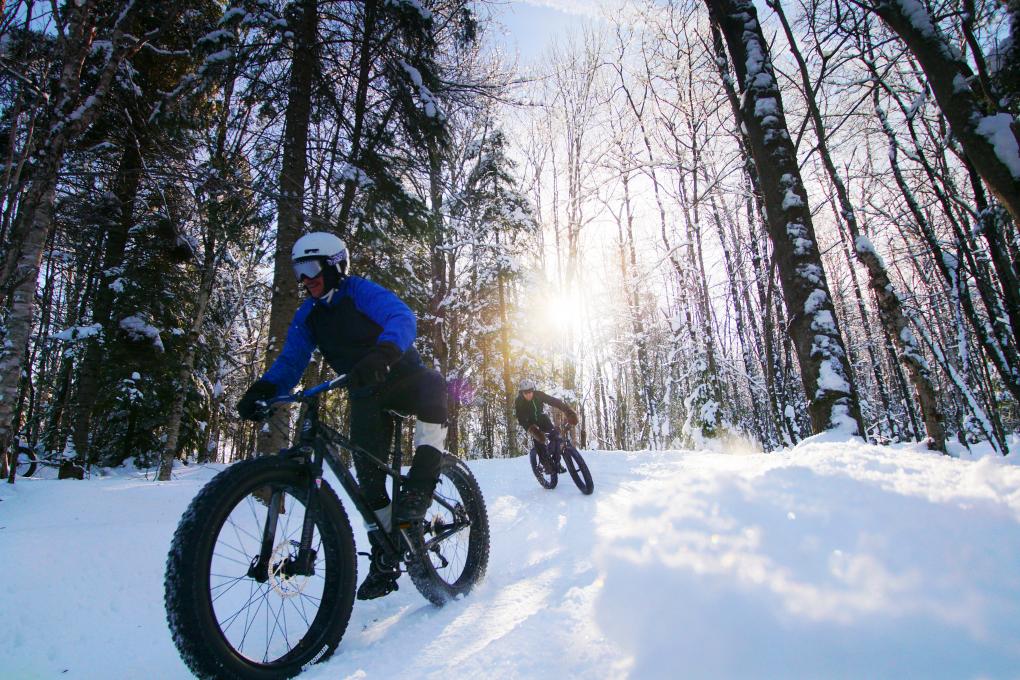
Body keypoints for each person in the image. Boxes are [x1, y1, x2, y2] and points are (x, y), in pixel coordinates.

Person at [237, 232, 447, 601]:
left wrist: (383, 354)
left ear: (335, 266)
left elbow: (401, 316)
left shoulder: (359, 292)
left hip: (401, 374)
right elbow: (291, 361)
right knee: (368, 482)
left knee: (435, 386)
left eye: (311, 268)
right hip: (365, 392)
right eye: (298, 271)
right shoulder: (309, 315)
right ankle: (385, 557)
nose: (305, 279)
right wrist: (264, 389)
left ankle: (421, 487)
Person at [514, 378, 578, 470]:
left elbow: (555, 401)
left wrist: (568, 412)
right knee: (539, 440)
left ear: (533, 390)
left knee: (556, 437)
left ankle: (557, 462)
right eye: (525, 392)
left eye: (530, 391)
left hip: (542, 419)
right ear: (522, 393)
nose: (528, 394)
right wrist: (532, 430)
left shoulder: (539, 395)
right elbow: (521, 418)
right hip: (530, 423)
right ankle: (545, 464)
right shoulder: (519, 401)